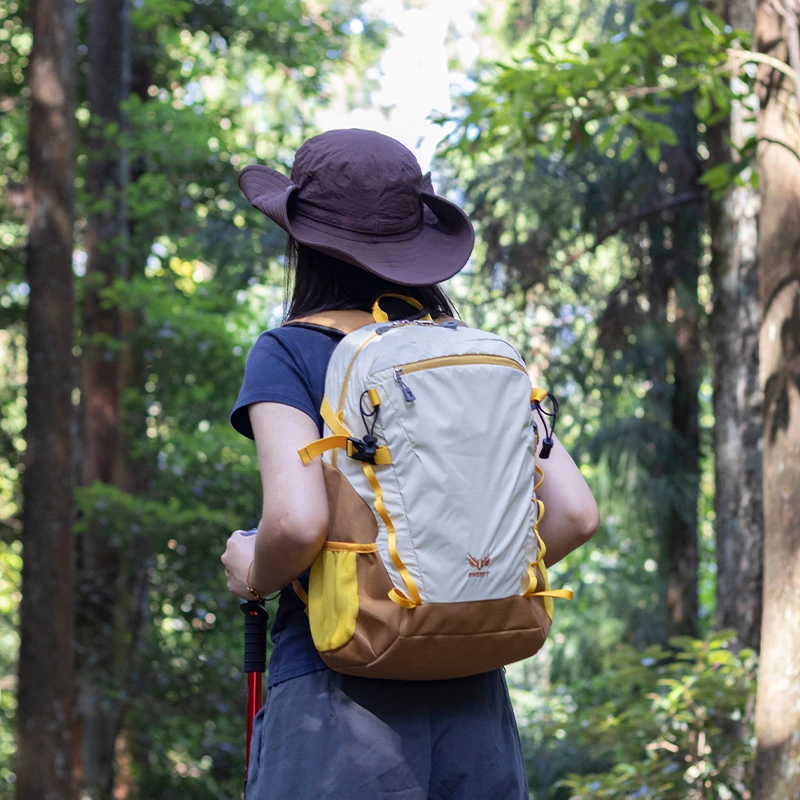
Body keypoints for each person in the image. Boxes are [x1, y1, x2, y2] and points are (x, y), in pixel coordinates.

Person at [221, 128, 599, 800]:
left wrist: (252, 568)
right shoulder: (472, 358)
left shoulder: (289, 352)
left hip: (337, 704)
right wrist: (460, 581)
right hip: (474, 708)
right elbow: (574, 514)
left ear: (303, 243)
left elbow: (297, 522)